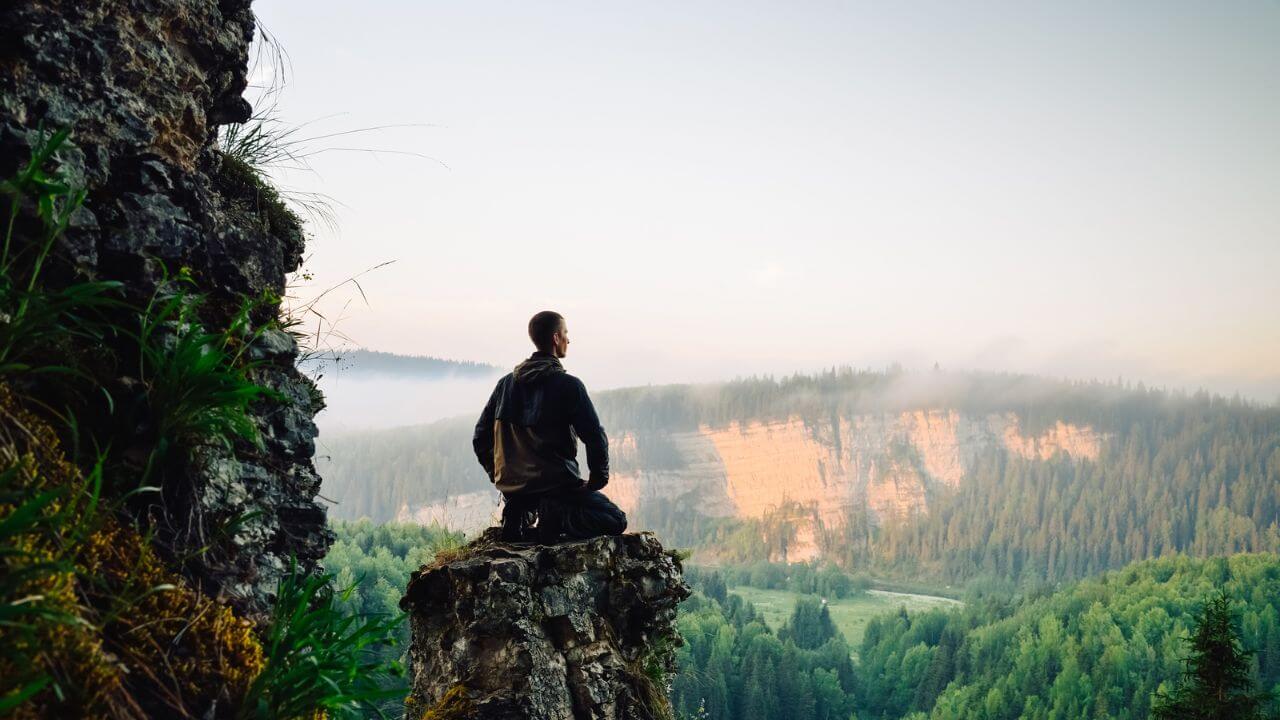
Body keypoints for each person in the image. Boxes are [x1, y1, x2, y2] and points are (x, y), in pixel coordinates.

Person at [472, 310, 627, 543]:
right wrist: (597, 480)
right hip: (557, 486)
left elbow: (480, 437)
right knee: (615, 519)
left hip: (517, 491)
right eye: (565, 333)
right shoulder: (568, 386)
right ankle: (557, 516)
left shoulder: (505, 385)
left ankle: (519, 513)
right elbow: (594, 436)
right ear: (556, 338)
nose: (568, 340)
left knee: (526, 503)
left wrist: (500, 478)